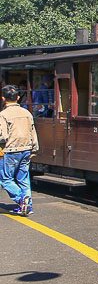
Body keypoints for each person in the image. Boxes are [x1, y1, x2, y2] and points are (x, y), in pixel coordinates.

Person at [0, 85, 39, 215]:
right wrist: (34, 149)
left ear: (3, 98)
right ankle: (29, 206)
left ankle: (22, 200)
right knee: (23, 179)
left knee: (6, 179)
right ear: (17, 98)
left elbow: (3, 136)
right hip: (26, 149)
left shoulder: (3, 114)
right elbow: (33, 132)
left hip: (10, 150)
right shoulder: (27, 113)